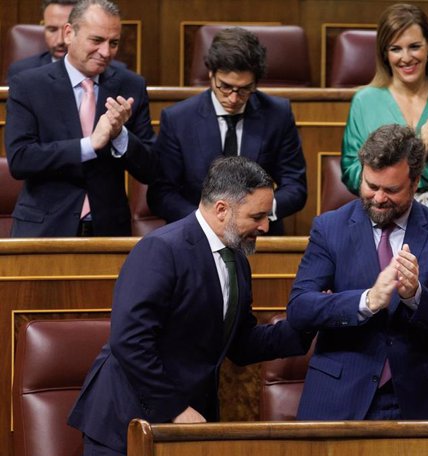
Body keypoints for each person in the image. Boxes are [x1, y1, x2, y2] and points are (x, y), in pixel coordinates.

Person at [68, 156, 313, 456]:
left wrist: (309, 322)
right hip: (125, 422)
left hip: (186, 424)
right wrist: (176, 408)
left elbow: (242, 343)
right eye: (257, 216)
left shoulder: (237, 260)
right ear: (222, 209)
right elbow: (130, 340)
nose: (265, 226)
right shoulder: (161, 250)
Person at [288, 124, 428, 420]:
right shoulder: (329, 228)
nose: (379, 198)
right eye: (371, 185)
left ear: (416, 182)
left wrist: (416, 296)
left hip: (419, 398)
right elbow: (299, 308)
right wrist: (366, 301)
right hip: (340, 395)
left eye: (391, 189)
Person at [4, 0, 156, 237]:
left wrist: (120, 135)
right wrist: (88, 145)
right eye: (96, 41)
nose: (106, 52)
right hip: (45, 230)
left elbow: (151, 168)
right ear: (69, 33)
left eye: (113, 43)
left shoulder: (130, 85)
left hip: (109, 230)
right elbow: (21, 159)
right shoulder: (28, 85)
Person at [147, 27, 307, 235]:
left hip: (259, 235)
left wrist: (258, 213)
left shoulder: (278, 115)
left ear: (256, 82)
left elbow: (296, 187)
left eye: (244, 89)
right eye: (225, 87)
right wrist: (204, 221)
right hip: (196, 236)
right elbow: (161, 193)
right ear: (211, 74)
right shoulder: (178, 119)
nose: (233, 98)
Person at [340, 3, 428, 224]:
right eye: (396, 48)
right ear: (385, 54)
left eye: (414, 46)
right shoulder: (364, 101)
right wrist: (423, 145)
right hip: (379, 205)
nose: (406, 58)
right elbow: (352, 175)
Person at [6, 0, 126, 82]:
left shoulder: (119, 73)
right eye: (52, 30)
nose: (60, 40)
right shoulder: (22, 73)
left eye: (67, 31)